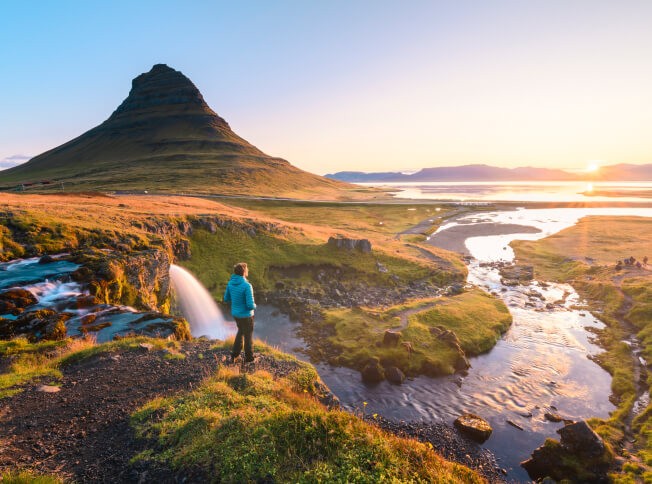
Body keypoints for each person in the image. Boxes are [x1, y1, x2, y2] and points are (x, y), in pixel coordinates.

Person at [224, 262, 256, 363]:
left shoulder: (230, 284)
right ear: (244, 272)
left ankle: (234, 354)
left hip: (236, 314)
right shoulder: (247, 285)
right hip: (246, 315)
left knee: (240, 332)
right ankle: (249, 359)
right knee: (248, 336)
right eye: (247, 269)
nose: (248, 271)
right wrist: (255, 306)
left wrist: (236, 300)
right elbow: (250, 305)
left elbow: (226, 298)